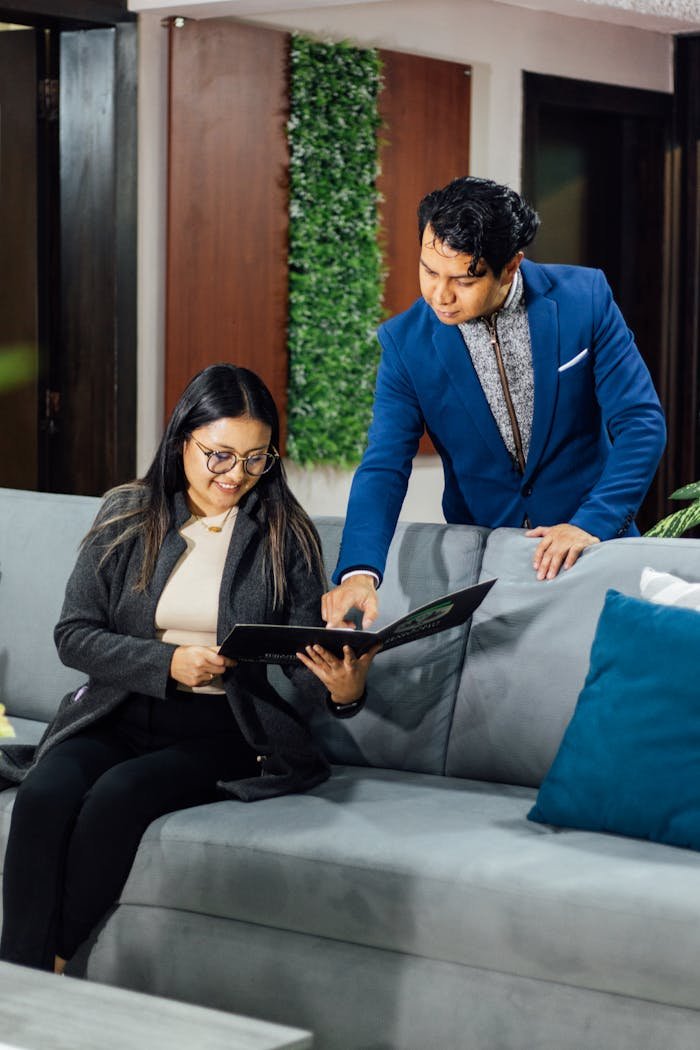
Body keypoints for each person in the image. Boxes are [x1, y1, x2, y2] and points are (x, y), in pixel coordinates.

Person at [0, 363, 378, 974]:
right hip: (118, 711)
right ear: (183, 441)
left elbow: (307, 665)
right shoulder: (128, 514)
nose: (237, 476)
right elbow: (74, 636)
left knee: (118, 797)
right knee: (44, 792)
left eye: (257, 460)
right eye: (220, 456)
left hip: (226, 726)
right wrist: (168, 662)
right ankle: (16, 980)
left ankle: (56, 964)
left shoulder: (285, 534)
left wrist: (345, 690)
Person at [322, 176, 666, 629]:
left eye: (463, 279)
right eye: (429, 271)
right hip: (484, 563)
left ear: (510, 266)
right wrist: (359, 573)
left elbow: (641, 423)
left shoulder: (586, 299)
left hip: (595, 542)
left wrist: (591, 523)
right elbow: (385, 466)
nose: (440, 296)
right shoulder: (405, 344)